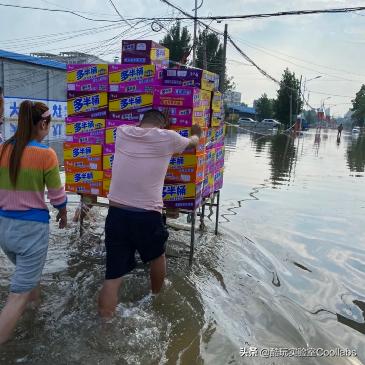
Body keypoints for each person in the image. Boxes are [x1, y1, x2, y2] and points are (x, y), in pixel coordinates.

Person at [98, 109, 202, 318]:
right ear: (163, 125)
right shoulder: (168, 138)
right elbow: (192, 143)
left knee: (112, 276)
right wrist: (196, 133)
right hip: (147, 214)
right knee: (157, 257)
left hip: (116, 213)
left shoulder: (122, 132)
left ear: (140, 121)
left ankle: (104, 326)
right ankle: (155, 298)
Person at [0, 100, 67, 344]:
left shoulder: (3, 149)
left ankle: (34, 314)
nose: (49, 128)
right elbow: (57, 195)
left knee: (29, 277)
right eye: (48, 124)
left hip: (5, 229)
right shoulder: (45, 154)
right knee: (16, 296)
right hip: (31, 231)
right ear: (42, 123)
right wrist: (63, 212)